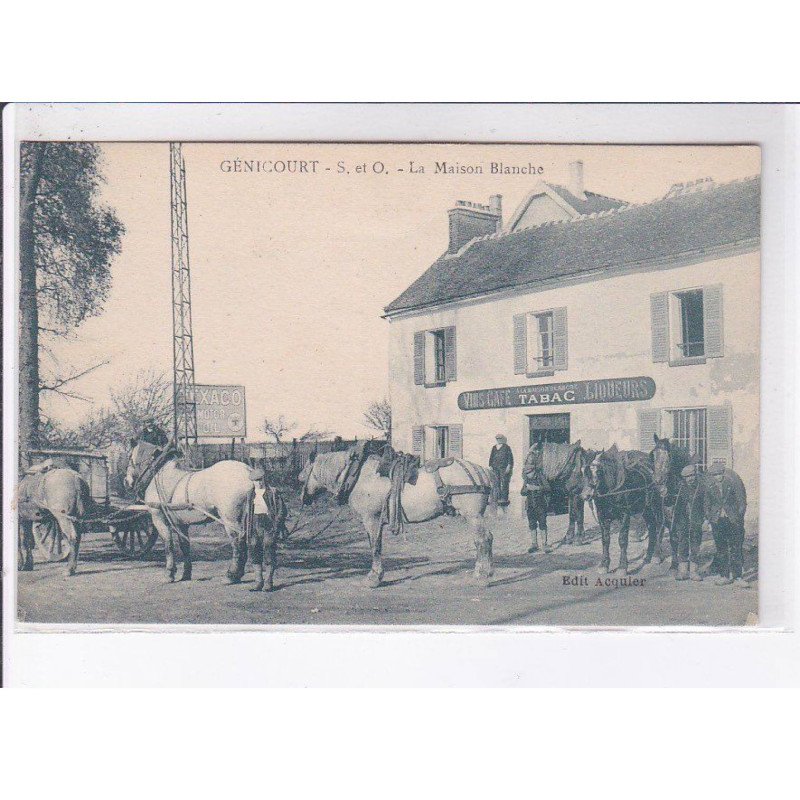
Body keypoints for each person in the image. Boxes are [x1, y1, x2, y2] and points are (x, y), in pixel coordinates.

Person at [703, 462, 748, 586]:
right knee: (721, 548)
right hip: (718, 521)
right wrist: (710, 517)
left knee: (735, 547)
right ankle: (724, 576)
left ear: (723, 473)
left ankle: (738, 577)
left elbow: (742, 502)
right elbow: (706, 504)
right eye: (715, 475)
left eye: (719, 474)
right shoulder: (710, 487)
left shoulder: (731, 484)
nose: (718, 477)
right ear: (712, 476)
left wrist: (738, 517)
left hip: (733, 520)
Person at [672, 463, 705, 582]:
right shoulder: (680, 488)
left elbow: (706, 505)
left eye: (692, 476)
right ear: (684, 478)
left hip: (696, 519)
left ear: (695, 475)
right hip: (682, 519)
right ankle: (683, 571)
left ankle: (694, 571)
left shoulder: (701, 488)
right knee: (682, 543)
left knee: (695, 543)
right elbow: (674, 503)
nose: (690, 479)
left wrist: (705, 520)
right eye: (687, 477)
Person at [489, 434, 513, 507]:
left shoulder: (506, 447)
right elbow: (491, 457)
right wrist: (490, 465)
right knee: (496, 483)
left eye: (500, 439)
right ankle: (497, 498)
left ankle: (504, 498)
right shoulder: (494, 447)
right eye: (497, 439)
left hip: (503, 468)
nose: (499, 440)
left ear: (502, 439)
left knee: (504, 482)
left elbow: (510, 458)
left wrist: (509, 466)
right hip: (495, 468)